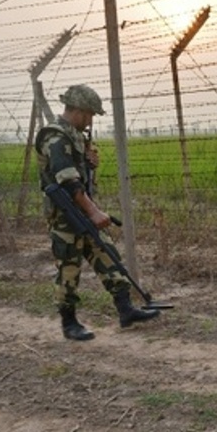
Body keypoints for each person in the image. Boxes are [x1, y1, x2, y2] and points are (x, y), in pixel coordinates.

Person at [35, 84, 160, 340]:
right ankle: (69, 324)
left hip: (81, 209)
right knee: (69, 267)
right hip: (65, 215)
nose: (91, 119)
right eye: (90, 114)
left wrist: (89, 163)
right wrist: (94, 212)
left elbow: (79, 175)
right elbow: (68, 180)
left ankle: (126, 311)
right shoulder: (56, 137)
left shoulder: (76, 136)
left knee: (107, 255)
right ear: (78, 111)